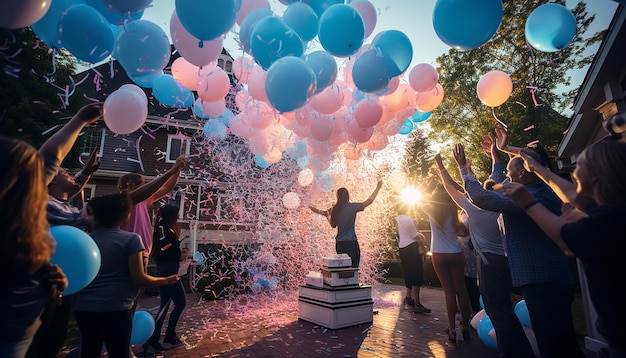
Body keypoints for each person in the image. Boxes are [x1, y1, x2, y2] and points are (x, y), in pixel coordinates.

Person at [456, 138, 584, 357]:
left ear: (522, 173)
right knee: (560, 340)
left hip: (543, 281)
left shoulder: (527, 197)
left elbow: (482, 197)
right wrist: (497, 157)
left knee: (555, 345)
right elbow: (496, 186)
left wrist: (463, 169)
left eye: (509, 172)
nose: (506, 176)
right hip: (548, 279)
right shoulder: (538, 189)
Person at [497, 139, 626, 357]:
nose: (573, 172)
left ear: (595, 174)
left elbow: (563, 240)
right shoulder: (612, 209)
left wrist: (527, 202)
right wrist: (536, 167)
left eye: (580, 165)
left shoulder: (608, 221)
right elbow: (569, 193)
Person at [435, 150, 535, 357]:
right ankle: (523, 350)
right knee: (506, 309)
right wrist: (496, 158)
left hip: (489, 264)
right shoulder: (503, 205)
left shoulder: (474, 210)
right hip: (508, 261)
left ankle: (511, 353)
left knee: (498, 313)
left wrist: (443, 166)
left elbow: (451, 188)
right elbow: (495, 179)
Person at [74, 193, 179, 358]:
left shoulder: (87, 240)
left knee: (88, 352)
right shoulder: (130, 240)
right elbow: (139, 279)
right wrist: (167, 280)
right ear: (124, 217)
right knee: (119, 353)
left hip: (85, 309)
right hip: (116, 308)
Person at [26, 149, 101, 358]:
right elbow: (82, 219)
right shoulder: (46, 204)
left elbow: (71, 190)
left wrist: (86, 173)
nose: (70, 173)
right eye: (64, 173)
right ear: (51, 181)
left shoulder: (59, 203)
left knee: (55, 335)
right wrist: (121, 203)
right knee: (43, 340)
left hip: (62, 280)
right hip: (43, 284)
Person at [421, 176, 473, 344]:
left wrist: (430, 183)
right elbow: (465, 233)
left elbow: (422, 198)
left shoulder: (431, 212)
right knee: (461, 290)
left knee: (448, 292)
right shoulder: (454, 216)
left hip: (438, 254)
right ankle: (465, 326)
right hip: (455, 254)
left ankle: (452, 330)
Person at [143, 205, 187, 354]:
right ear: (171, 216)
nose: (178, 218)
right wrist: (181, 255)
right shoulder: (165, 232)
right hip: (168, 273)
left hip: (164, 270)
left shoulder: (161, 230)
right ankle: (168, 334)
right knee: (181, 302)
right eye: (176, 216)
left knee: (165, 305)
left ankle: (153, 340)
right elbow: (169, 252)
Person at [309, 180, 383, 268]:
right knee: (353, 270)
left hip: (340, 244)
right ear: (348, 196)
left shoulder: (334, 209)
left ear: (338, 197)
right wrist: (377, 188)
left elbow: (326, 217)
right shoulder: (352, 207)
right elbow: (369, 201)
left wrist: (310, 207)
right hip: (351, 243)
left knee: (342, 271)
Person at [396, 204, 431, 314]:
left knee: (408, 273)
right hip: (412, 248)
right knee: (417, 273)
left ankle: (408, 297)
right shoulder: (408, 219)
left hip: (402, 248)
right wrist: (422, 243)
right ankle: (417, 303)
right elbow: (414, 235)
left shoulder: (398, 219)